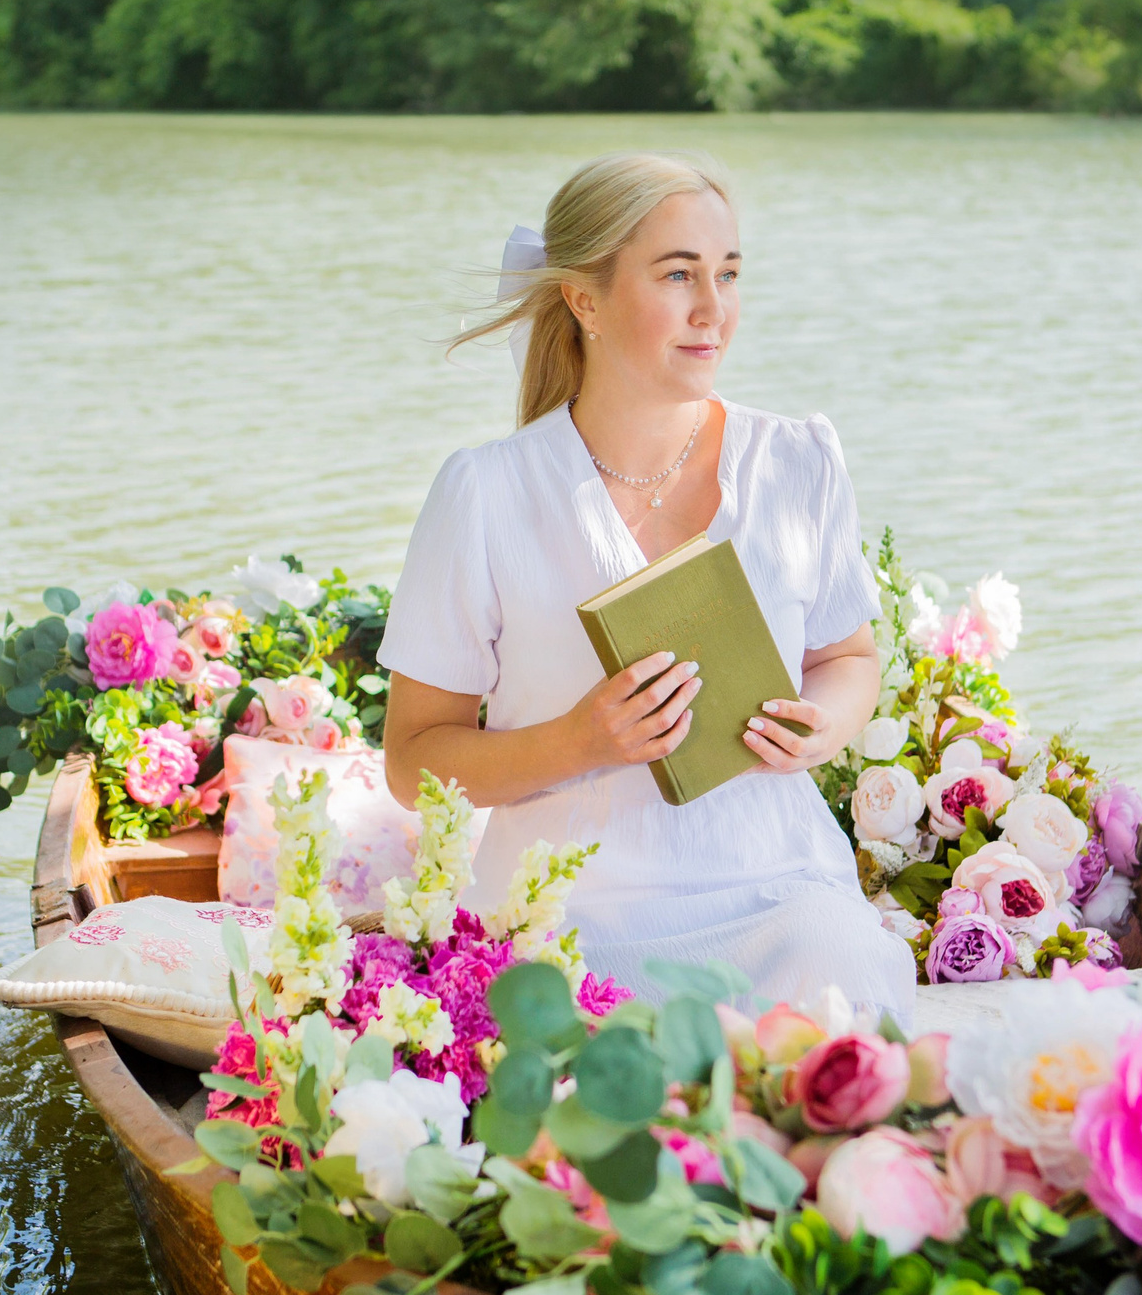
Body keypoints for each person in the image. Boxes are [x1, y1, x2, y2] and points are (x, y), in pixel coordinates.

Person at [376, 151, 915, 1021]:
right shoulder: (485, 492)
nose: (715, 310)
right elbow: (411, 761)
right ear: (584, 299)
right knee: (589, 1085)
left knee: (842, 986)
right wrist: (579, 740)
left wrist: (821, 725)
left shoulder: (797, 461)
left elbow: (849, 656)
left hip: (775, 889)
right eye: (678, 275)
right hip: (567, 914)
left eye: (728, 274)